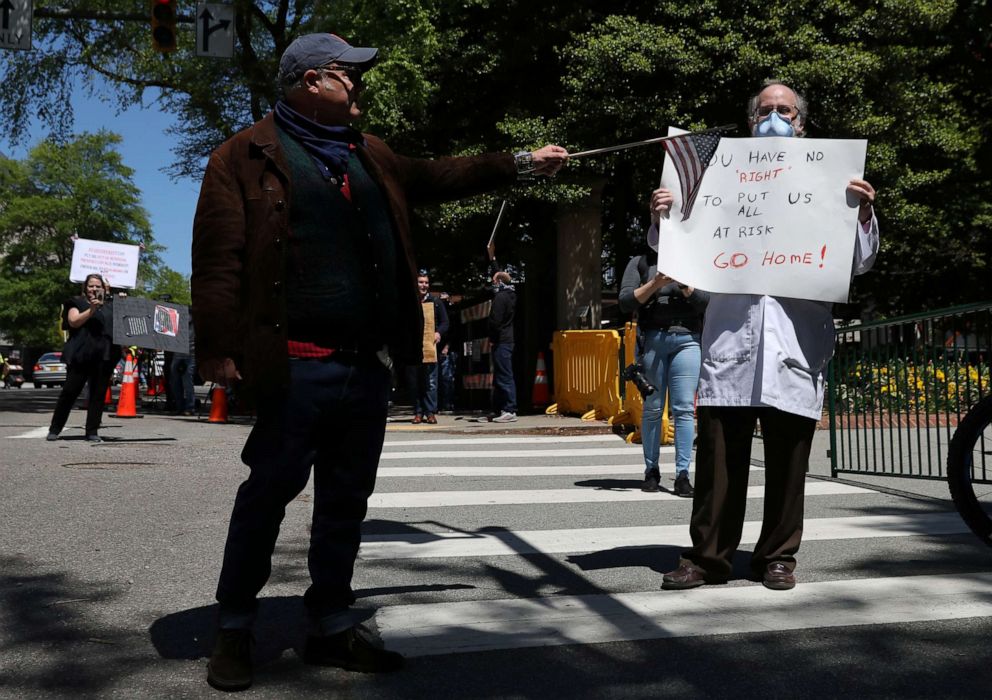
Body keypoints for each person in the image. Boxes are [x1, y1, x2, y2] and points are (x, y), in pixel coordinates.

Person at [191, 32, 568, 692]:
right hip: (293, 365)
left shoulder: (373, 155)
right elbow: (218, 260)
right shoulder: (241, 157)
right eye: (346, 74)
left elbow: (443, 173)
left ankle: (332, 625)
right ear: (311, 81)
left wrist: (522, 163)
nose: (357, 84)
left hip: (364, 367)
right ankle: (236, 625)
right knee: (267, 495)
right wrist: (220, 350)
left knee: (345, 503)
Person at [661, 81, 879, 592]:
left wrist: (861, 213)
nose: (775, 118)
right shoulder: (719, 177)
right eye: (765, 111)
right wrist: (665, 216)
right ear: (750, 121)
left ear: (801, 123)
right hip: (730, 345)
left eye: (784, 111)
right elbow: (678, 252)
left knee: (788, 463)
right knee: (718, 461)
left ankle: (777, 557)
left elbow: (860, 262)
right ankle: (708, 558)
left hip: (793, 344)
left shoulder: (830, 179)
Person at [619, 243, 708, 497]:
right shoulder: (640, 262)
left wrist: (683, 285)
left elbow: (706, 301)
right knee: (653, 408)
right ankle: (651, 470)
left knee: (683, 409)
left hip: (688, 338)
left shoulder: (695, 255)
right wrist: (655, 283)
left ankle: (682, 475)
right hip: (652, 338)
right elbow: (625, 301)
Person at [47, 273, 118, 443]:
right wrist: (92, 309)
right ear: (85, 288)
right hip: (81, 355)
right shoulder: (76, 302)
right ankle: (55, 429)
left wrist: (121, 299)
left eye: (98, 286)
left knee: (97, 395)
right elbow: (73, 321)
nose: (94, 289)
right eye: (91, 286)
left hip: (104, 356)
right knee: (69, 392)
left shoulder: (111, 306)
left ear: (104, 288)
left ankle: (92, 431)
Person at [406, 270, 448, 424]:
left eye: (426, 282)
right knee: (415, 381)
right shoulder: (410, 302)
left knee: (430, 381)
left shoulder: (436, 302)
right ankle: (418, 412)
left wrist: (438, 333)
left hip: (430, 346)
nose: (423, 285)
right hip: (413, 348)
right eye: (420, 282)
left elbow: (445, 322)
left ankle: (430, 412)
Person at [486, 242, 518, 422]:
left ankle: (509, 409)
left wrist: (491, 338)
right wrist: (493, 259)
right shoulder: (511, 294)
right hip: (507, 339)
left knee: (504, 375)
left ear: (498, 283)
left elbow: (494, 321)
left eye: (494, 282)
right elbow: (498, 273)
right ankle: (501, 409)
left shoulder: (500, 298)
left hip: (501, 341)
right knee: (501, 375)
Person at [170, 315, 197, 416]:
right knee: (174, 382)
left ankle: (189, 407)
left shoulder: (193, 320)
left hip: (191, 353)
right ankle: (180, 406)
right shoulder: (175, 318)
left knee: (187, 381)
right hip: (177, 353)